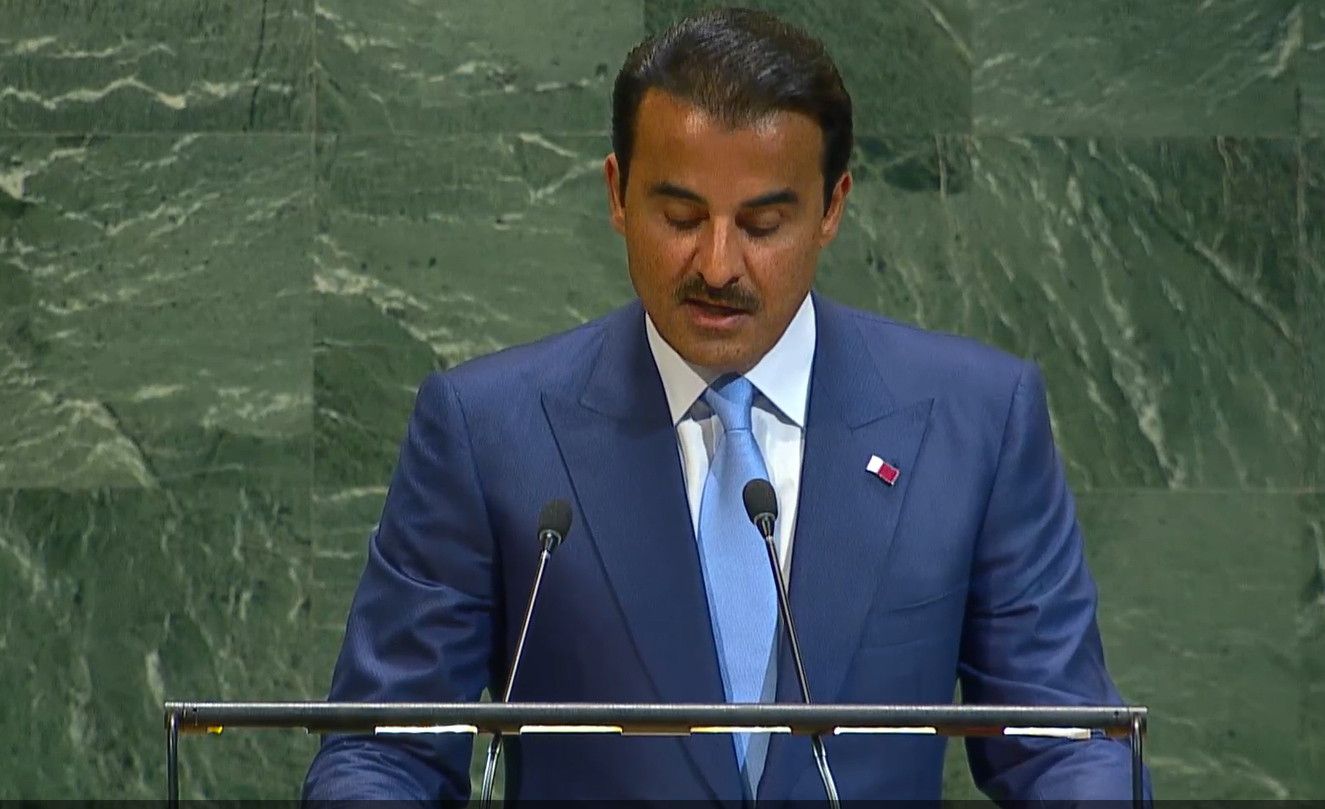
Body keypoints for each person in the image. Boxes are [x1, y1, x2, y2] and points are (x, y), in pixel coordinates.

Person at [303, 7, 1151, 805]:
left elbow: (1063, 742)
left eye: (762, 224)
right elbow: (383, 749)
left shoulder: (977, 420)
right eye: (680, 215)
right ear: (617, 194)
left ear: (831, 208)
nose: (716, 264)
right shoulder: (489, 430)